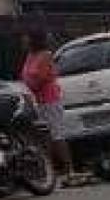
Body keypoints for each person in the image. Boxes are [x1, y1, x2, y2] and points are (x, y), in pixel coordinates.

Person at [20, 28, 78, 186]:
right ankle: (50, 170)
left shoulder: (45, 55)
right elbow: (26, 76)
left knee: (56, 134)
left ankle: (69, 170)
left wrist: (29, 87)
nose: (23, 41)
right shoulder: (30, 56)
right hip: (37, 101)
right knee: (44, 137)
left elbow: (41, 78)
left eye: (26, 38)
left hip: (50, 99)